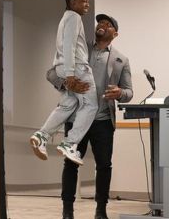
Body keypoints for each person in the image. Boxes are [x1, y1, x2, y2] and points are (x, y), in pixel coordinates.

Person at [48, 14, 133, 219]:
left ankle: (100, 210)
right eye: (100, 22)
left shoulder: (121, 60)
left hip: (103, 122)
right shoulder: (79, 49)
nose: (102, 25)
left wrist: (120, 93)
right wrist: (67, 83)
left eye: (108, 23)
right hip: (76, 119)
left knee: (104, 166)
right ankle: (67, 211)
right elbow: (52, 73)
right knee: (71, 164)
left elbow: (129, 92)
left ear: (116, 33)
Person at [30, 0, 98, 166]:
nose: (87, 5)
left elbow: (63, 48)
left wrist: (66, 72)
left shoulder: (64, 19)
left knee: (69, 104)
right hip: (77, 68)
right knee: (91, 105)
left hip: (63, 66)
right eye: (83, 1)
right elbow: (69, 46)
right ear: (72, 2)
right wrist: (70, 75)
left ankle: (42, 135)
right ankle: (70, 143)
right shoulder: (74, 18)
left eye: (88, 1)